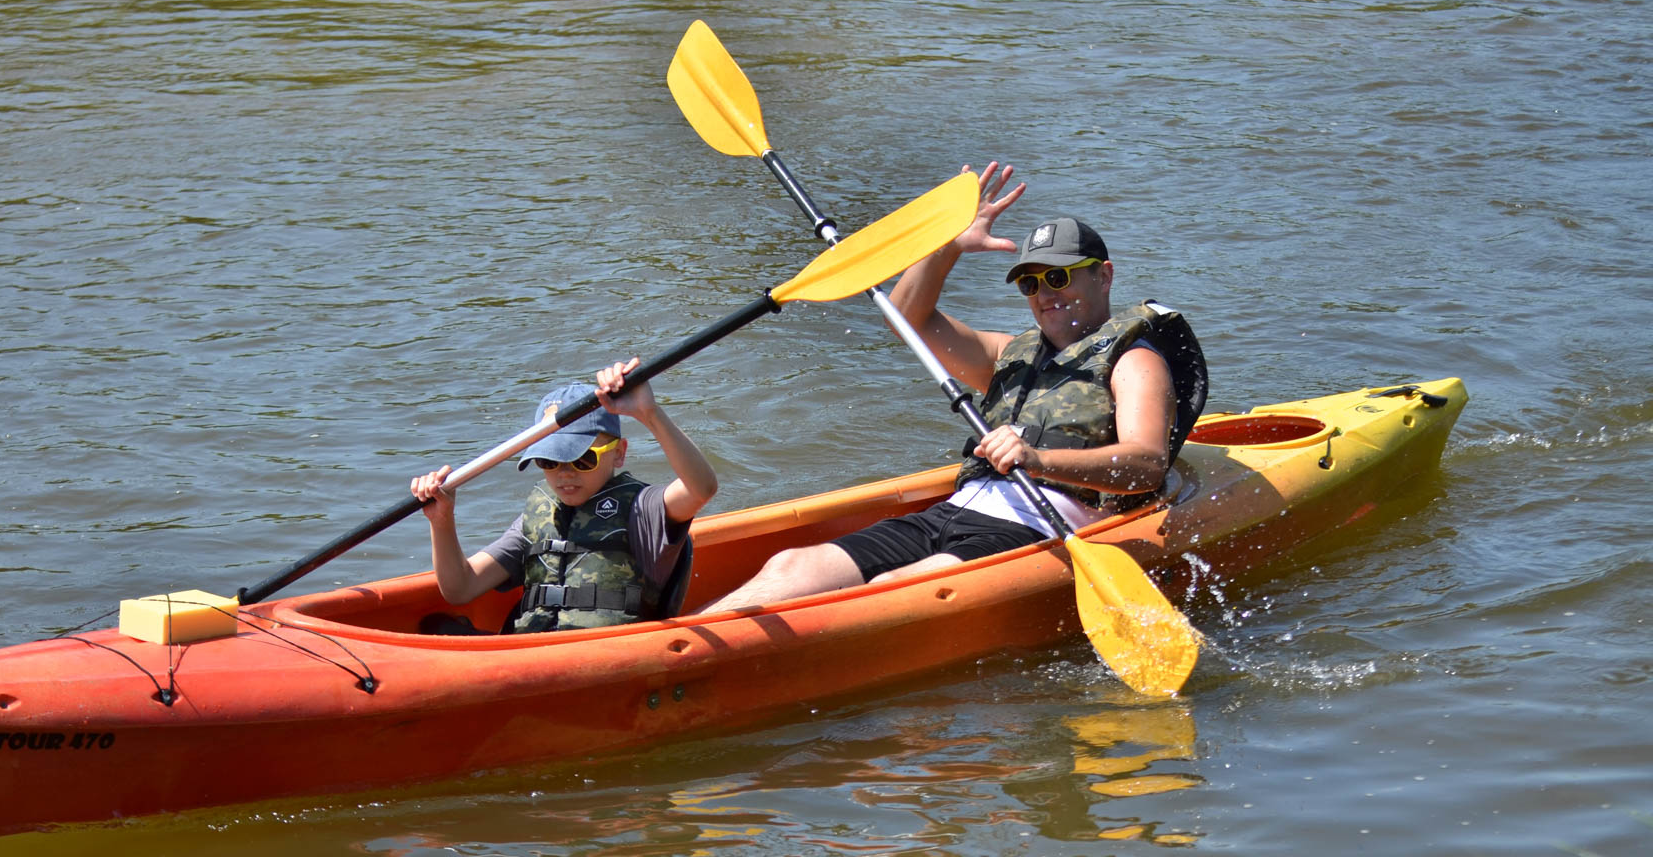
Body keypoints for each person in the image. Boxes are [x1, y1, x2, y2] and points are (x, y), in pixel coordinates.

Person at [703, 162, 1205, 613]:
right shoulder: (1007, 354)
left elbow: (1144, 465)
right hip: (955, 511)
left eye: (1058, 277)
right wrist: (946, 248)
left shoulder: (1132, 359)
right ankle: (675, 646)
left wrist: (1037, 459)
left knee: (901, 586)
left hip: (1041, 527)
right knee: (793, 566)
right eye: (1031, 284)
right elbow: (905, 318)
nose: (1045, 295)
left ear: (1104, 277)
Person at [409, 358, 719, 633]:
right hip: (528, 652)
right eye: (549, 461)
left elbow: (700, 488)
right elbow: (460, 588)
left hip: (602, 658)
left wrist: (649, 414)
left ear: (619, 454)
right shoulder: (536, 519)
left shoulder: (644, 509)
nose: (564, 474)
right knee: (436, 625)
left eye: (583, 459)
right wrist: (442, 520)